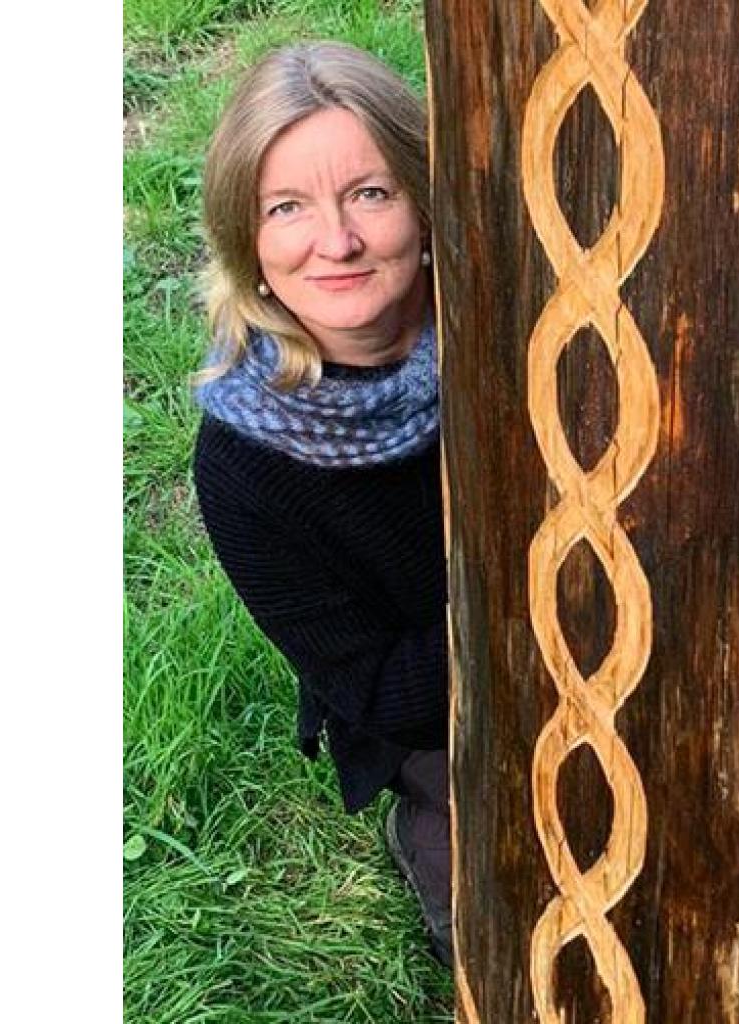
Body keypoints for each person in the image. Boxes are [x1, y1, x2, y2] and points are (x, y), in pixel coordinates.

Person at [191, 41, 451, 967]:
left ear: (428, 206)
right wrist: (540, 594)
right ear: (249, 243)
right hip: (441, 708)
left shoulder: (525, 328)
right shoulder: (244, 463)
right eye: (286, 207)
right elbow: (382, 696)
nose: (335, 242)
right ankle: (423, 824)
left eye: (371, 194)